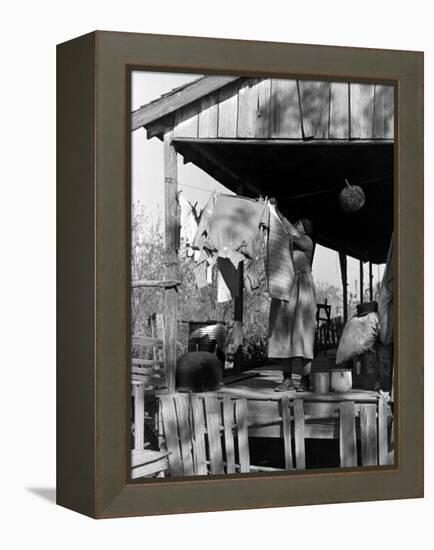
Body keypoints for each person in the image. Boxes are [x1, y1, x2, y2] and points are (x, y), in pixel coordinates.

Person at [268, 206, 316, 392]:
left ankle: (304, 380)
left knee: (302, 334)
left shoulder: (306, 242)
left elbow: (290, 232)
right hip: (286, 286)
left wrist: (278, 212)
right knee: (283, 333)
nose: (296, 224)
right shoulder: (288, 242)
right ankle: (287, 379)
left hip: (302, 289)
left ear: (306, 228)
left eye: (299, 223)